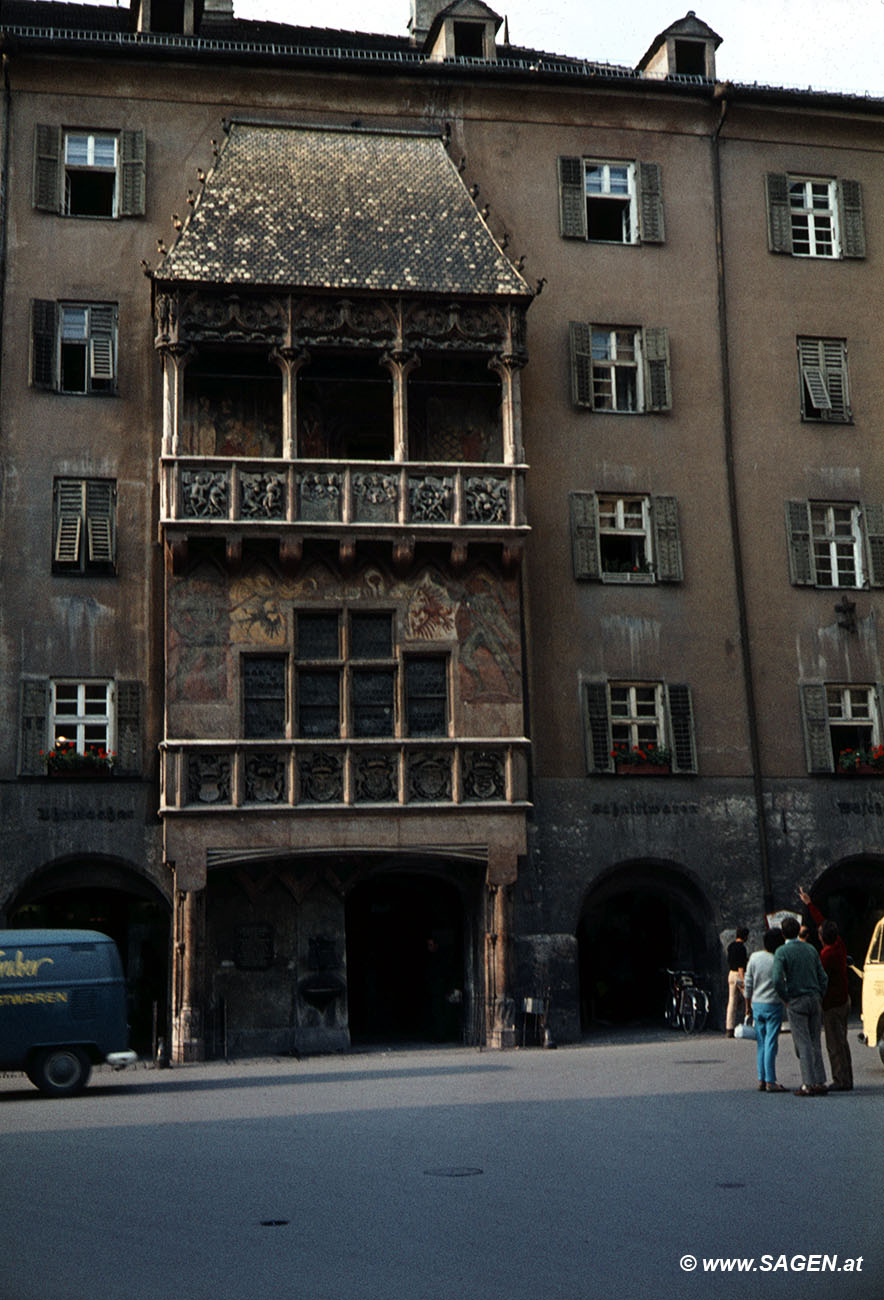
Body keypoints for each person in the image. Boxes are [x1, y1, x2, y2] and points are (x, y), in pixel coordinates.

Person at [798, 887, 853, 1091]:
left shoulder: (826, 955)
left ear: (822, 939)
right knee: (843, 1041)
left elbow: (819, 978)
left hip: (833, 1003)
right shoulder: (838, 945)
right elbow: (823, 923)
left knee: (834, 1043)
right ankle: (847, 1077)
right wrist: (809, 904)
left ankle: (841, 1079)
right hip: (844, 999)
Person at [772, 915, 828, 1095]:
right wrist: (820, 994)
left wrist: (785, 997)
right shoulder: (811, 949)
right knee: (815, 1041)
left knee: (802, 1042)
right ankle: (820, 1081)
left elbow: (777, 979)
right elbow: (823, 976)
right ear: (798, 931)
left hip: (796, 998)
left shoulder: (782, 952)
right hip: (814, 997)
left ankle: (808, 1083)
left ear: (783, 933)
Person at [744, 928, 787, 1092]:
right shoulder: (778, 959)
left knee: (761, 1042)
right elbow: (782, 981)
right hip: (773, 1004)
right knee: (771, 1043)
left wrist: (748, 1005)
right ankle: (770, 1080)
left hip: (757, 1003)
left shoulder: (754, 957)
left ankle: (761, 1078)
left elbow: (748, 982)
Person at [725, 926, 749, 1038]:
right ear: (745, 936)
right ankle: (754, 1021)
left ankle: (729, 1028)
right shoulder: (741, 948)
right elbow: (741, 965)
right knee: (749, 997)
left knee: (732, 1001)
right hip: (739, 974)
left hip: (731, 974)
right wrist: (743, 980)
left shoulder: (730, 946)